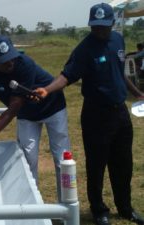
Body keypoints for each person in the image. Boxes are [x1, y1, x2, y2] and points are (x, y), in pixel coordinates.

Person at [33, 3, 144, 225]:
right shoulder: (84, 49)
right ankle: (99, 210)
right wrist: (47, 89)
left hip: (120, 113)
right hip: (96, 115)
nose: (99, 31)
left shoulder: (118, 41)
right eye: (95, 27)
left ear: (112, 24)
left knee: (123, 163)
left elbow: (119, 72)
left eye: (103, 26)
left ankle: (125, 207)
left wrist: (137, 93)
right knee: (96, 164)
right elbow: (66, 76)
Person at [0, 34, 70, 201]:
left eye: (11, 57)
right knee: (28, 160)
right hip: (27, 114)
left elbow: (12, 109)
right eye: (3, 60)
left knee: (61, 158)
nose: (10, 63)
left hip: (52, 108)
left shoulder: (24, 64)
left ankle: (66, 207)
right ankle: (32, 208)